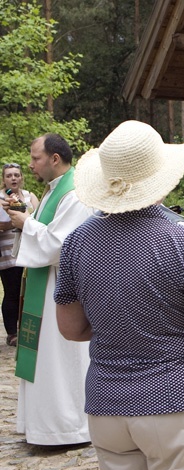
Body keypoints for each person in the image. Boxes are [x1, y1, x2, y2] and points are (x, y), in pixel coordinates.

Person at [54, 120, 184, 470]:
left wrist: (119, 327)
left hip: (107, 402)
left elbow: (71, 328)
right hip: (176, 400)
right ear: (162, 179)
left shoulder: (75, 244)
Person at [4, 134, 93, 446]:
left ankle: (68, 427)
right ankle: (42, 423)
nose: (30, 165)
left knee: (61, 358)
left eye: (36, 158)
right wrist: (24, 223)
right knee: (43, 357)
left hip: (63, 288)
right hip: (45, 284)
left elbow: (62, 244)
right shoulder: (53, 190)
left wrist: (25, 223)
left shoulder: (75, 194)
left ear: (55, 159)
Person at [0, 163, 39, 347]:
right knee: (12, 291)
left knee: (29, 291)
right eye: (9, 176)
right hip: (8, 252)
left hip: (30, 250)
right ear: (4, 179)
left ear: (22, 177)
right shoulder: (0, 198)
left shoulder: (30, 196)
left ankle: (28, 330)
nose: (13, 178)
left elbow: (40, 218)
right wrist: (10, 223)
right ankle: (12, 333)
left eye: (16, 175)